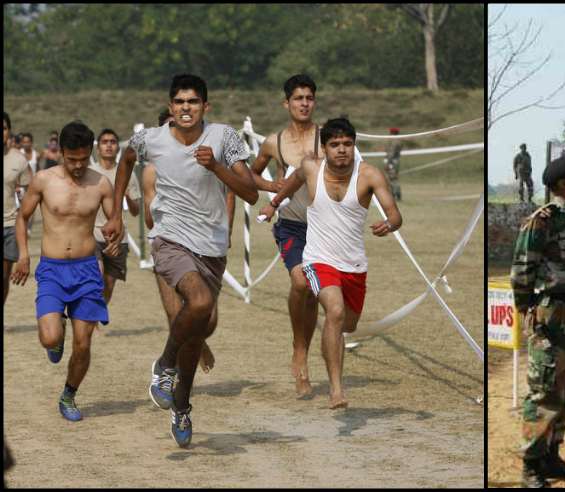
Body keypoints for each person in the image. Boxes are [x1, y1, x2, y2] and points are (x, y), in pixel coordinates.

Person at [103, 73, 258, 447]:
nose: (186, 108)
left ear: (206, 106)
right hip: (169, 239)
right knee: (199, 303)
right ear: (171, 108)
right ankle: (164, 364)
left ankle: (182, 406)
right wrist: (116, 213)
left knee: (198, 331)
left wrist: (216, 168)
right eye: (179, 102)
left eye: (193, 102)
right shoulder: (150, 139)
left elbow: (251, 193)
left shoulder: (225, 138)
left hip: (212, 247)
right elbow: (125, 159)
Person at [262, 117, 402, 409]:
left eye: (347, 144)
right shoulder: (312, 168)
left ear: (354, 146)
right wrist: (274, 203)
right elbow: (293, 181)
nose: (342, 150)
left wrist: (389, 224)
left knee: (346, 324)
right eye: (335, 144)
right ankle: (337, 390)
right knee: (334, 312)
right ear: (324, 149)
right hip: (317, 259)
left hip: (353, 265)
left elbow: (395, 214)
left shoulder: (370, 175)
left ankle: (329, 365)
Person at [11, 121, 115, 422]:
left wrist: (114, 235)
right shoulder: (44, 180)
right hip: (53, 270)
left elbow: (114, 222)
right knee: (49, 337)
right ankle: (56, 337)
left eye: (83, 158)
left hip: (86, 270)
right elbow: (23, 218)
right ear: (61, 153)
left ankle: (69, 394)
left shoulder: (100, 183)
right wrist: (24, 256)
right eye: (72, 159)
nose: (78, 165)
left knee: (84, 343)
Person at [511, 151, 565, 488]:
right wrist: (528, 315)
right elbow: (522, 272)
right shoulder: (542, 221)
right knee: (545, 391)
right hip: (553, 313)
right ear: (563, 184)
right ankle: (531, 466)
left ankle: (552, 454)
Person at [248, 74, 325, 397]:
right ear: (287, 103)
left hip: (325, 226)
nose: (304, 103)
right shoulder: (273, 141)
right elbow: (250, 174)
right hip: (291, 225)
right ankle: (299, 350)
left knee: (314, 294)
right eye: (298, 98)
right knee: (300, 283)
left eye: (309, 98)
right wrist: (271, 187)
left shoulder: (327, 137)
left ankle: (302, 348)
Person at [141, 110, 215, 374]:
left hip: (202, 246)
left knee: (207, 318)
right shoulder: (151, 172)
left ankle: (200, 340)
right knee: (175, 314)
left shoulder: (204, 166)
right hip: (167, 243)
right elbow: (150, 220)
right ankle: (174, 375)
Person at [89, 129, 141, 304]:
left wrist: (127, 196)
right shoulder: (89, 172)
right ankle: (90, 322)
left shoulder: (128, 173)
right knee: (95, 278)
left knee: (108, 285)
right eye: (104, 142)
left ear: (118, 147)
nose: (109, 145)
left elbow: (135, 211)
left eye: (112, 142)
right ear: (98, 148)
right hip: (92, 234)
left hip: (118, 238)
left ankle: (96, 316)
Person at [4, 112, 33, 306]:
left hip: (9, 226)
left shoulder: (19, 161)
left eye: (4, 128)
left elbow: (29, 194)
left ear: (9, 132)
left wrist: (24, 222)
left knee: (3, 278)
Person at [385, 127, 403, 201]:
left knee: (392, 179)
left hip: (392, 162)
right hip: (396, 162)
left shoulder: (394, 142)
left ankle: (395, 195)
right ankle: (396, 194)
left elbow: (391, 153)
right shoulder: (398, 141)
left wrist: (388, 163)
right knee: (394, 178)